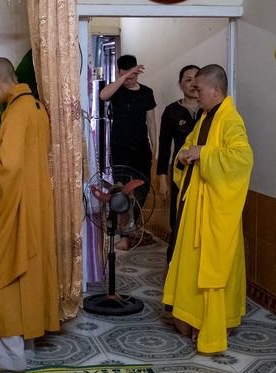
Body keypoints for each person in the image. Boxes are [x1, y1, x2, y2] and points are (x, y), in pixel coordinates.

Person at [0, 57, 60, 371]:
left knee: (4, 278)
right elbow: (21, 158)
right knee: (28, 278)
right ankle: (28, 349)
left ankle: (8, 360)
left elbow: (8, 168)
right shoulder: (35, 107)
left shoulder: (15, 111)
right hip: (35, 205)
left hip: (16, 210)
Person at [162, 64, 253, 354]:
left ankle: (211, 324)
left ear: (215, 90)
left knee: (210, 271)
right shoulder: (205, 118)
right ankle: (191, 318)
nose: (194, 92)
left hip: (214, 213)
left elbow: (242, 159)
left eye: (199, 88)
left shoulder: (230, 120)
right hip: (195, 209)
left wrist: (204, 153)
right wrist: (185, 155)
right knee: (189, 268)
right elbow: (186, 148)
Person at [99, 54, 157, 250]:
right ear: (120, 73)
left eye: (133, 76)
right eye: (126, 76)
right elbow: (102, 96)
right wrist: (123, 78)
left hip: (141, 147)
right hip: (120, 147)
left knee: (142, 190)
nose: (130, 79)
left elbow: (151, 121)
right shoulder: (116, 91)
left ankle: (131, 227)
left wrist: (155, 148)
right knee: (121, 191)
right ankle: (124, 235)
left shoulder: (147, 93)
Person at [157, 65, 202, 263]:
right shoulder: (172, 111)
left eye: (196, 79)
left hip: (205, 175)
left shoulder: (211, 111)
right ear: (180, 84)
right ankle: (173, 268)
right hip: (180, 175)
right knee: (178, 221)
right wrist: (163, 180)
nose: (193, 84)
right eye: (187, 79)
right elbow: (164, 147)